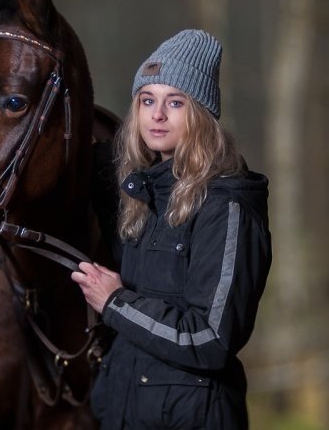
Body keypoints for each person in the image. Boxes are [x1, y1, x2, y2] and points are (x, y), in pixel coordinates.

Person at [71, 29, 272, 429]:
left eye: (174, 102)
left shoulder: (227, 205)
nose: (157, 115)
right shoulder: (141, 195)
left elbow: (211, 340)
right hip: (121, 412)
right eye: (147, 100)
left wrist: (115, 303)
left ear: (200, 114)